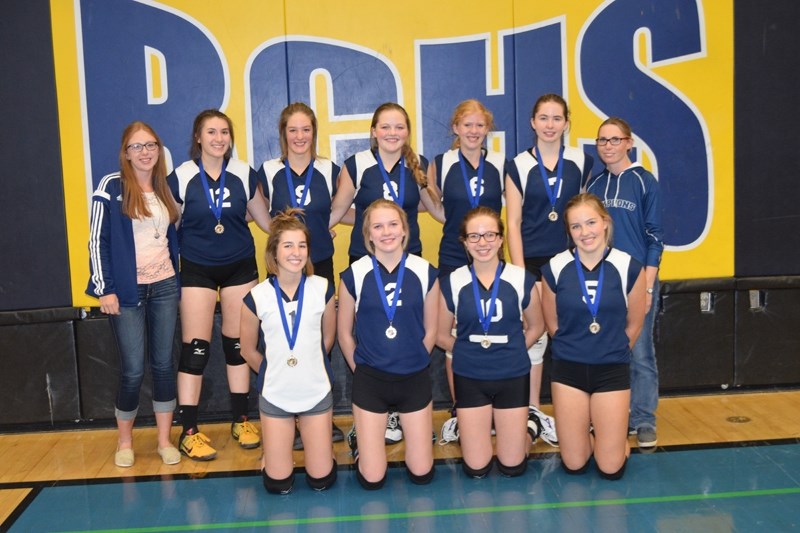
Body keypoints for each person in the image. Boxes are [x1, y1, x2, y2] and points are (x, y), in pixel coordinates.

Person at [330, 102, 440, 444]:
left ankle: (406, 412)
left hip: (409, 257)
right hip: (366, 259)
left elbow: (432, 207)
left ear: (407, 132)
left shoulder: (417, 165)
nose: (393, 133)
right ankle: (369, 414)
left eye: (399, 127)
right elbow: (339, 208)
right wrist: (318, 232)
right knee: (369, 332)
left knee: (409, 330)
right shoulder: (357, 165)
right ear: (374, 131)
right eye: (386, 127)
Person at [167, 109, 272, 460]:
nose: (218, 138)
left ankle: (241, 419)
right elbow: (168, 225)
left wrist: (305, 236)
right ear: (198, 137)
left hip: (239, 266)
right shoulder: (181, 176)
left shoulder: (243, 173)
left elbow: (267, 221)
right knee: (196, 346)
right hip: (197, 267)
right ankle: (190, 430)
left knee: (238, 344)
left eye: (224, 132)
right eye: (211, 132)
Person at [87, 121, 182, 467]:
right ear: (125, 153)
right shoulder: (111, 187)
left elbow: (173, 237)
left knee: (162, 365)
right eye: (136, 146)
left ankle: (163, 441)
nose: (145, 152)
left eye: (151, 145)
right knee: (131, 370)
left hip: (166, 286)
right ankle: (124, 442)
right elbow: (98, 241)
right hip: (125, 293)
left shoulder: (166, 187)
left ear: (159, 149)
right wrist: (104, 288)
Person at [505, 94, 594, 447]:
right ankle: (532, 410)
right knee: (537, 335)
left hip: (571, 264)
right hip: (532, 263)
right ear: (533, 122)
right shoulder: (518, 165)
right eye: (543, 117)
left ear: (566, 123)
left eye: (557, 118)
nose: (550, 124)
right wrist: (520, 273)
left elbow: (584, 214)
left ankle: (576, 410)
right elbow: (512, 222)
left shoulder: (581, 161)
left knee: (570, 334)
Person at [540, 193, 646, 479]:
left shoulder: (629, 267)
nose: (585, 232)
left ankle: (611, 439)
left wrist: (611, 351)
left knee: (609, 467)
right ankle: (588, 429)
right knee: (574, 464)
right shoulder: (555, 268)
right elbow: (552, 324)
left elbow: (635, 323)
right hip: (568, 370)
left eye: (591, 223)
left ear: (605, 223)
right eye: (576, 226)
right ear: (569, 231)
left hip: (611, 370)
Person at [256, 102, 343, 445]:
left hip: (319, 262)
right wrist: (280, 232)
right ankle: (283, 418)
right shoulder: (267, 171)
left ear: (314, 132)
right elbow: (258, 211)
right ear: (283, 133)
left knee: (322, 342)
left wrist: (322, 228)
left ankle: (321, 415)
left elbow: (341, 208)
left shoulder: (330, 169)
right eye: (292, 130)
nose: (299, 136)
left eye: (306, 129)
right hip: (283, 268)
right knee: (283, 340)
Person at [337, 199, 439, 489]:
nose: (386, 232)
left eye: (393, 224)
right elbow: (345, 332)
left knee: (421, 473)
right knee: (373, 478)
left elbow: (432, 329)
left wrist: (417, 359)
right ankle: (363, 444)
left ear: (405, 230)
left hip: (414, 377)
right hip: (371, 380)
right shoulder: (353, 274)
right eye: (377, 226)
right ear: (368, 234)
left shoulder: (425, 271)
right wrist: (362, 369)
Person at [437, 206, 544, 478]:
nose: (482, 242)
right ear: (464, 242)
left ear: (500, 239)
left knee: (512, 467)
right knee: (476, 469)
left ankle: (530, 429)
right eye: (474, 236)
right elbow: (440, 333)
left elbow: (537, 325)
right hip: (470, 375)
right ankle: (465, 425)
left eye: (489, 235)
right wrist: (466, 352)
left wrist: (516, 350)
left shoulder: (521, 278)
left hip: (512, 374)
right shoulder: (452, 281)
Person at [239, 209, 337, 494]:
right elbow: (246, 349)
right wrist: (273, 373)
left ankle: (322, 453)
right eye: (288, 245)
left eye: (302, 245)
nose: (296, 252)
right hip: (276, 395)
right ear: (274, 253)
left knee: (321, 481)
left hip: (315, 392)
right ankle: (272, 454)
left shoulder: (323, 288)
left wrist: (308, 365)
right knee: (278, 484)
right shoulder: (256, 296)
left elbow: (328, 338)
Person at [426, 100, 505, 426]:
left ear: (488, 129)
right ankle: (461, 406)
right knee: (454, 332)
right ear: (455, 128)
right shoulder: (441, 163)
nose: (473, 131)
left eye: (479, 125)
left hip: (490, 256)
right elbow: (435, 206)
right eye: (467, 125)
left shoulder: (501, 164)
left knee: (491, 325)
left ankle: (494, 399)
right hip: (454, 255)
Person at [585, 117, 663, 448]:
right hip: (603, 281)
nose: (608, 146)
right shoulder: (593, 187)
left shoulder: (644, 181)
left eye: (614, 140)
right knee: (606, 349)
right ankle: (610, 417)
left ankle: (643, 418)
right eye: (602, 141)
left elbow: (655, 238)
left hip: (638, 281)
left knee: (640, 350)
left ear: (628, 143)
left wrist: (647, 286)